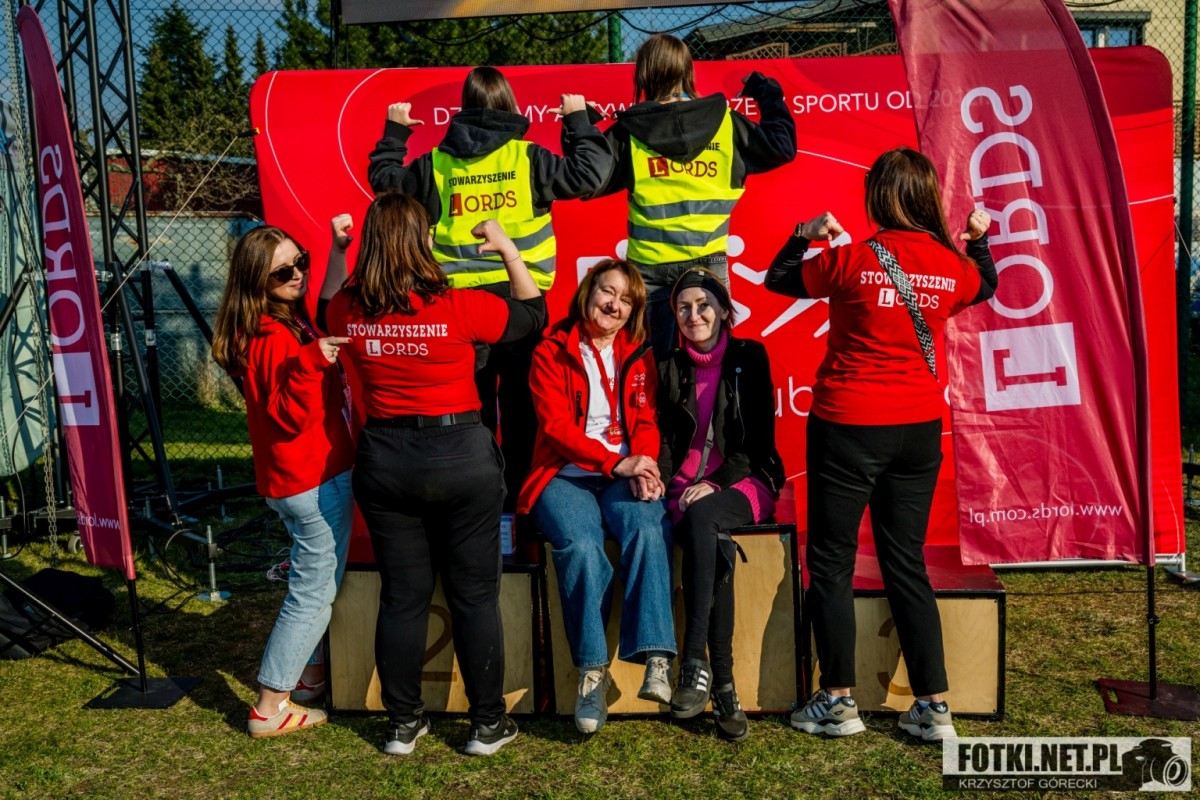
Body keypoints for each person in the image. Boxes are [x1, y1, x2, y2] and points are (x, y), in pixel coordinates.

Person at [764, 147, 998, 742]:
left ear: (878, 197)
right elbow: (986, 285)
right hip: (918, 429)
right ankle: (934, 706)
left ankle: (838, 700)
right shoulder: (951, 267)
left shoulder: (850, 260)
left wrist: (803, 234)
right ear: (926, 197)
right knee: (906, 562)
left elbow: (779, 278)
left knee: (832, 562)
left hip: (847, 424)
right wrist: (978, 241)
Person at [324, 192, 546, 756]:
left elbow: (323, 304)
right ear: (421, 241)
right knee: (474, 597)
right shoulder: (459, 305)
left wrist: (337, 251)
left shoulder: (349, 309)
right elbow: (532, 316)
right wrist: (508, 250)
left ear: (373, 243)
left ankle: (403, 725)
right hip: (459, 457)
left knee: (402, 597)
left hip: (386, 459)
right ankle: (487, 725)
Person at [367, 66, 613, 509]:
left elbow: (386, 187)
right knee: (523, 411)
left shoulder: (436, 164)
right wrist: (579, 121)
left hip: (461, 309)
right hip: (522, 304)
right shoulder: (527, 158)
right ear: (510, 106)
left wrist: (395, 133)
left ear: (464, 109)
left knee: (471, 413)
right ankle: (520, 503)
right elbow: (590, 174)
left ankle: (481, 504)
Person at [517, 259, 676, 735]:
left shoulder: (637, 351)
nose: (614, 305)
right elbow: (556, 427)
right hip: (563, 475)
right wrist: (615, 463)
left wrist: (644, 464)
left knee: (648, 526)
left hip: (622, 473)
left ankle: (657, 658)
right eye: (608, 292)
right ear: (588, 291)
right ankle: (592, 673)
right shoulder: (551, 350)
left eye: (626, 300)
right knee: (583, 547)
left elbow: (645, 419)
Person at [212, 216, 356, 738]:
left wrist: (336, 250)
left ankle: (308, 676)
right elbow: (287, 416)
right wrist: (311, 363)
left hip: (302, 478)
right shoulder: (272, 335)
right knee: (312, 593)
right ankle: (270, 706)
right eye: (282, 272)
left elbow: (324, 300)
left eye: (301, 262)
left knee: (318, 583)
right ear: (258, 282)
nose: (297, 275)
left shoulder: (278, 322)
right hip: (312, 480)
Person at [592, 33, 796, 358]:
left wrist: (582, 126)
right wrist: (766, 92)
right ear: (688, 71)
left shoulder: (631, 131)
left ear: (644, 74)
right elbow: (782, 146)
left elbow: (587, 180)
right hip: (709, 262)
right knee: (711, 365)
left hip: (650, 268)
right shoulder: (726, 123)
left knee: (651, 367)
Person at [656, 268, 785, 743]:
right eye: (684, 308)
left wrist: (714, 483)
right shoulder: (668, 365)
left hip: (745, 478)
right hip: (684, 486)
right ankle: (725, 686)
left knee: (705, 517)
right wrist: (664, 482)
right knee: (713, 539)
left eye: (704, 305)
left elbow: (759, 443)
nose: (694, 315)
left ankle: (695, 660)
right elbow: (664, 441)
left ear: (723, 310)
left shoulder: (750, 356)